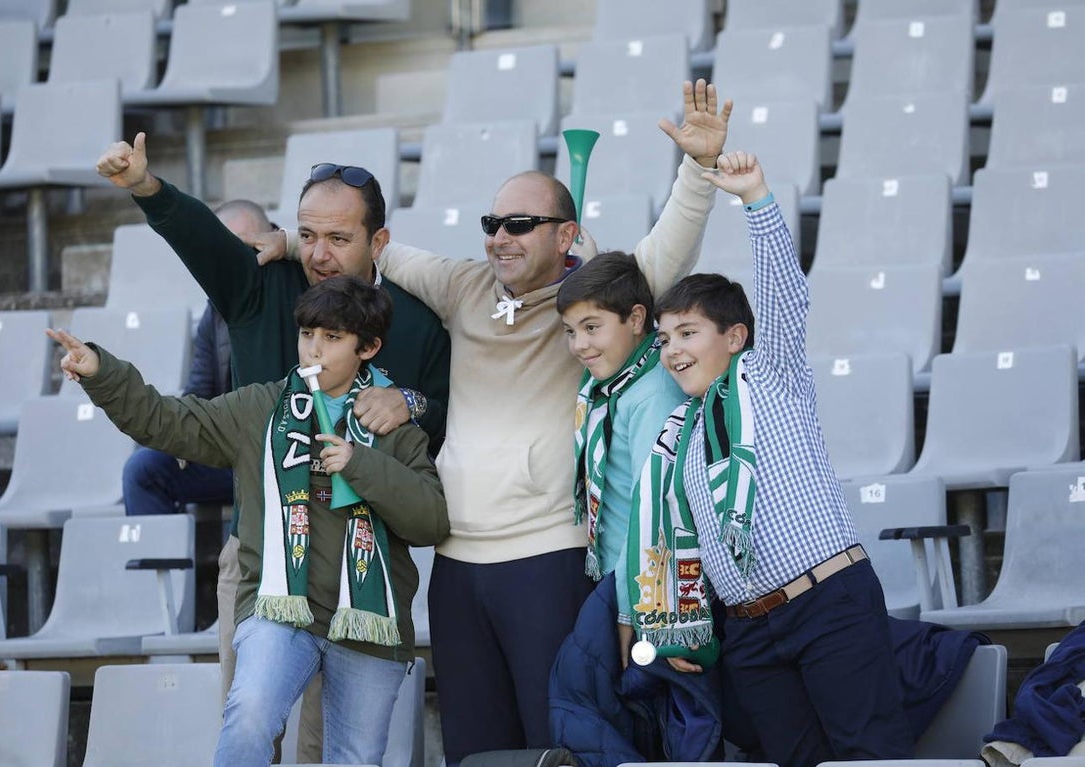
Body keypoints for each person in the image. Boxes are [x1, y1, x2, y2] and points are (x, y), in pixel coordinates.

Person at [255, 78, 734, 764]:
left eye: (520, 224)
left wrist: (699, 167)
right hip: (457, 565)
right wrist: (290, 240)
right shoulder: (463, 285)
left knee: (555, 747)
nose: (501, 237)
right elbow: (370, 249)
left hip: (548, 558)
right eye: (492, 224)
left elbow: (669, 250)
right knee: (475, 751)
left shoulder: (594, 302)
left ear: (565, 234)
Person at [95, 140, 450, 756]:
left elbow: (444, 426)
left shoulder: (417, 321)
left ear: (378, 241)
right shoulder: (261, 283)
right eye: (306, 235)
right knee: (250, 722)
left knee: (329, 750)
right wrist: (148, 187)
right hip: (263, 556)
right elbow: (203, 242)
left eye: (338, 238)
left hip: (362, 572)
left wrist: (412, 402)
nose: (318, 254)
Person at [48, 275, 449, 766]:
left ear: (368, 348)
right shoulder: (260, 407)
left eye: (332, 337)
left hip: (369, 625)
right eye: (307, 334)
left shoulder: (392, 426)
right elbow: (169, 422)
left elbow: (431, 523)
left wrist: (360, 464)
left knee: (356, 760)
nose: (313, 349)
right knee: (248, 718)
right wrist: (101, 373)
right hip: (278, 611)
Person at [651, 150, 914, 767]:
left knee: (870, 756)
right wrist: (677, 623)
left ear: (736, 337)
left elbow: (785, 297)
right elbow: (681, 539)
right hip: (748, 630)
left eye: (687, 333)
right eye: (663, 339)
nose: (672, 350)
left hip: (827, 602)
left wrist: (755, 200)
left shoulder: (771, 376)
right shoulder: (680, 432)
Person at [556, 251, 698, 663]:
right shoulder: (611, 387)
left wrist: (627, 612)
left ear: (636, 319)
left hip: (644, 595)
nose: (579, 345)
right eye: (570, 332)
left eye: (591, 327)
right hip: (618, 581)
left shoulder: (653, 394)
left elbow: (653, 510)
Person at [122, 199, 275, 517]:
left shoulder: (297, 297)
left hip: (287, 455)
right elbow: (199, 391)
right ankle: (161, 553)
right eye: (224, 250)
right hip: (233, 453)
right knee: (144, 469)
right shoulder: (215, 311)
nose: (235, 259)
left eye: (245, 248)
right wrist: (180, 436)